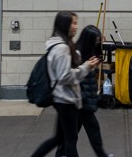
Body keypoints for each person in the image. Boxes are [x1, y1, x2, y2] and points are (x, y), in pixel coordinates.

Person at [31, 12, 100, 157]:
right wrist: (86, 67)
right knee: (70, 140)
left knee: (59, 139)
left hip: (62, 98)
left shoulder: (58, 44)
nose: (76, 26)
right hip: (65, 99)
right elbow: (65, 76)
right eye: (73, 23)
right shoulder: (62, 48)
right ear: (65, 25)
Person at [55, 25, 113, 157]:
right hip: (78, 101)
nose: (97, 43)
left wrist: (101, 44)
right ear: (89, 40)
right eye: (96, 40)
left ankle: (61, 154)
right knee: (90, 131)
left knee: (71, 135)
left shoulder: (88, 52)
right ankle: (101, 154)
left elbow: (98, 59)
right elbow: (73, 77)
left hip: (83, 100)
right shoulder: (77, 54)